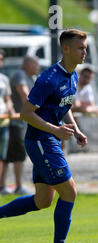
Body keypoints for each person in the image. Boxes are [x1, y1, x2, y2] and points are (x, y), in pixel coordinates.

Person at [0, 29, 88, 243]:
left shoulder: (73, 76)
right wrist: (56, 130)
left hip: (48, 140)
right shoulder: (49, 78)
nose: (84, 52)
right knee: (69, 192)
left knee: (43, 201)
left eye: (85, 48)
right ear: (66, 49)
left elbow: (64, 105)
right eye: (80, 48)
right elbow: (26, 113)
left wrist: (75, 129)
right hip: (41, 141)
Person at [1, 55, 40, 195]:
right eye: (36, 64)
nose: (38, 67)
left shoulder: (32, 77)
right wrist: (39, 110)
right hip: (15, 123)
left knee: (9, 156)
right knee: (16, 156)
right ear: (28, 64)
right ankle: (16, 186)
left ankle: (5, 186)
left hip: (21, 123)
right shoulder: (20, 74)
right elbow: (25, 96)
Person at [0, 48, 16, 194]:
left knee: (3, 157)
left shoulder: (4, 79)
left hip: (3, 123)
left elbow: (7, 99)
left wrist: (10, 110)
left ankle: (2, 186)